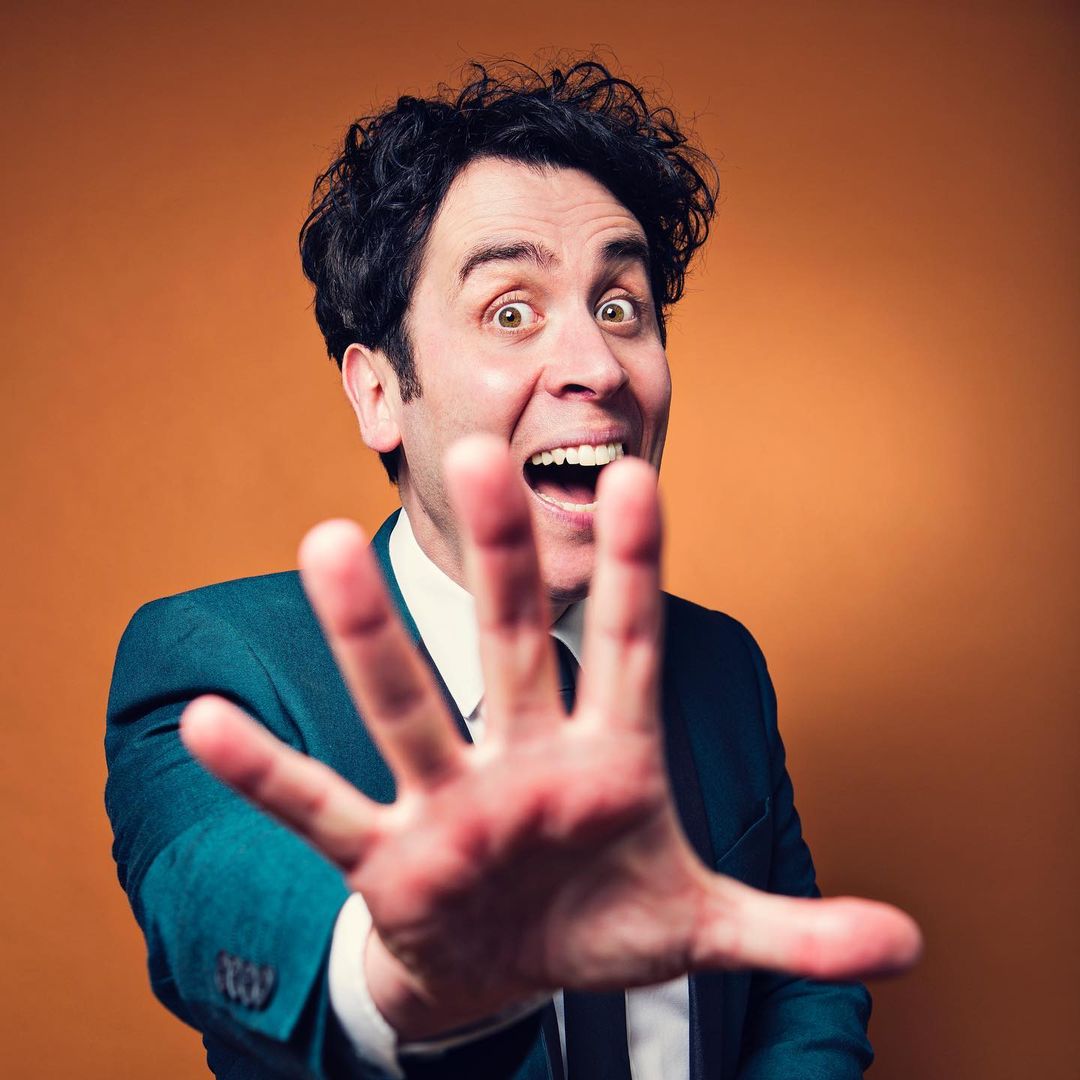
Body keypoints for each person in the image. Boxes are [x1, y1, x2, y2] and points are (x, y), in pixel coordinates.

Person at [105, 59, 921, 1080]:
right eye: (510, 311)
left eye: (619, 306)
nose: (599, 366)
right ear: (378, 395)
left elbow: (794, 991)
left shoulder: (722, 665)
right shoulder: (219, 662)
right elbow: (207, 898)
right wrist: (398, 980)